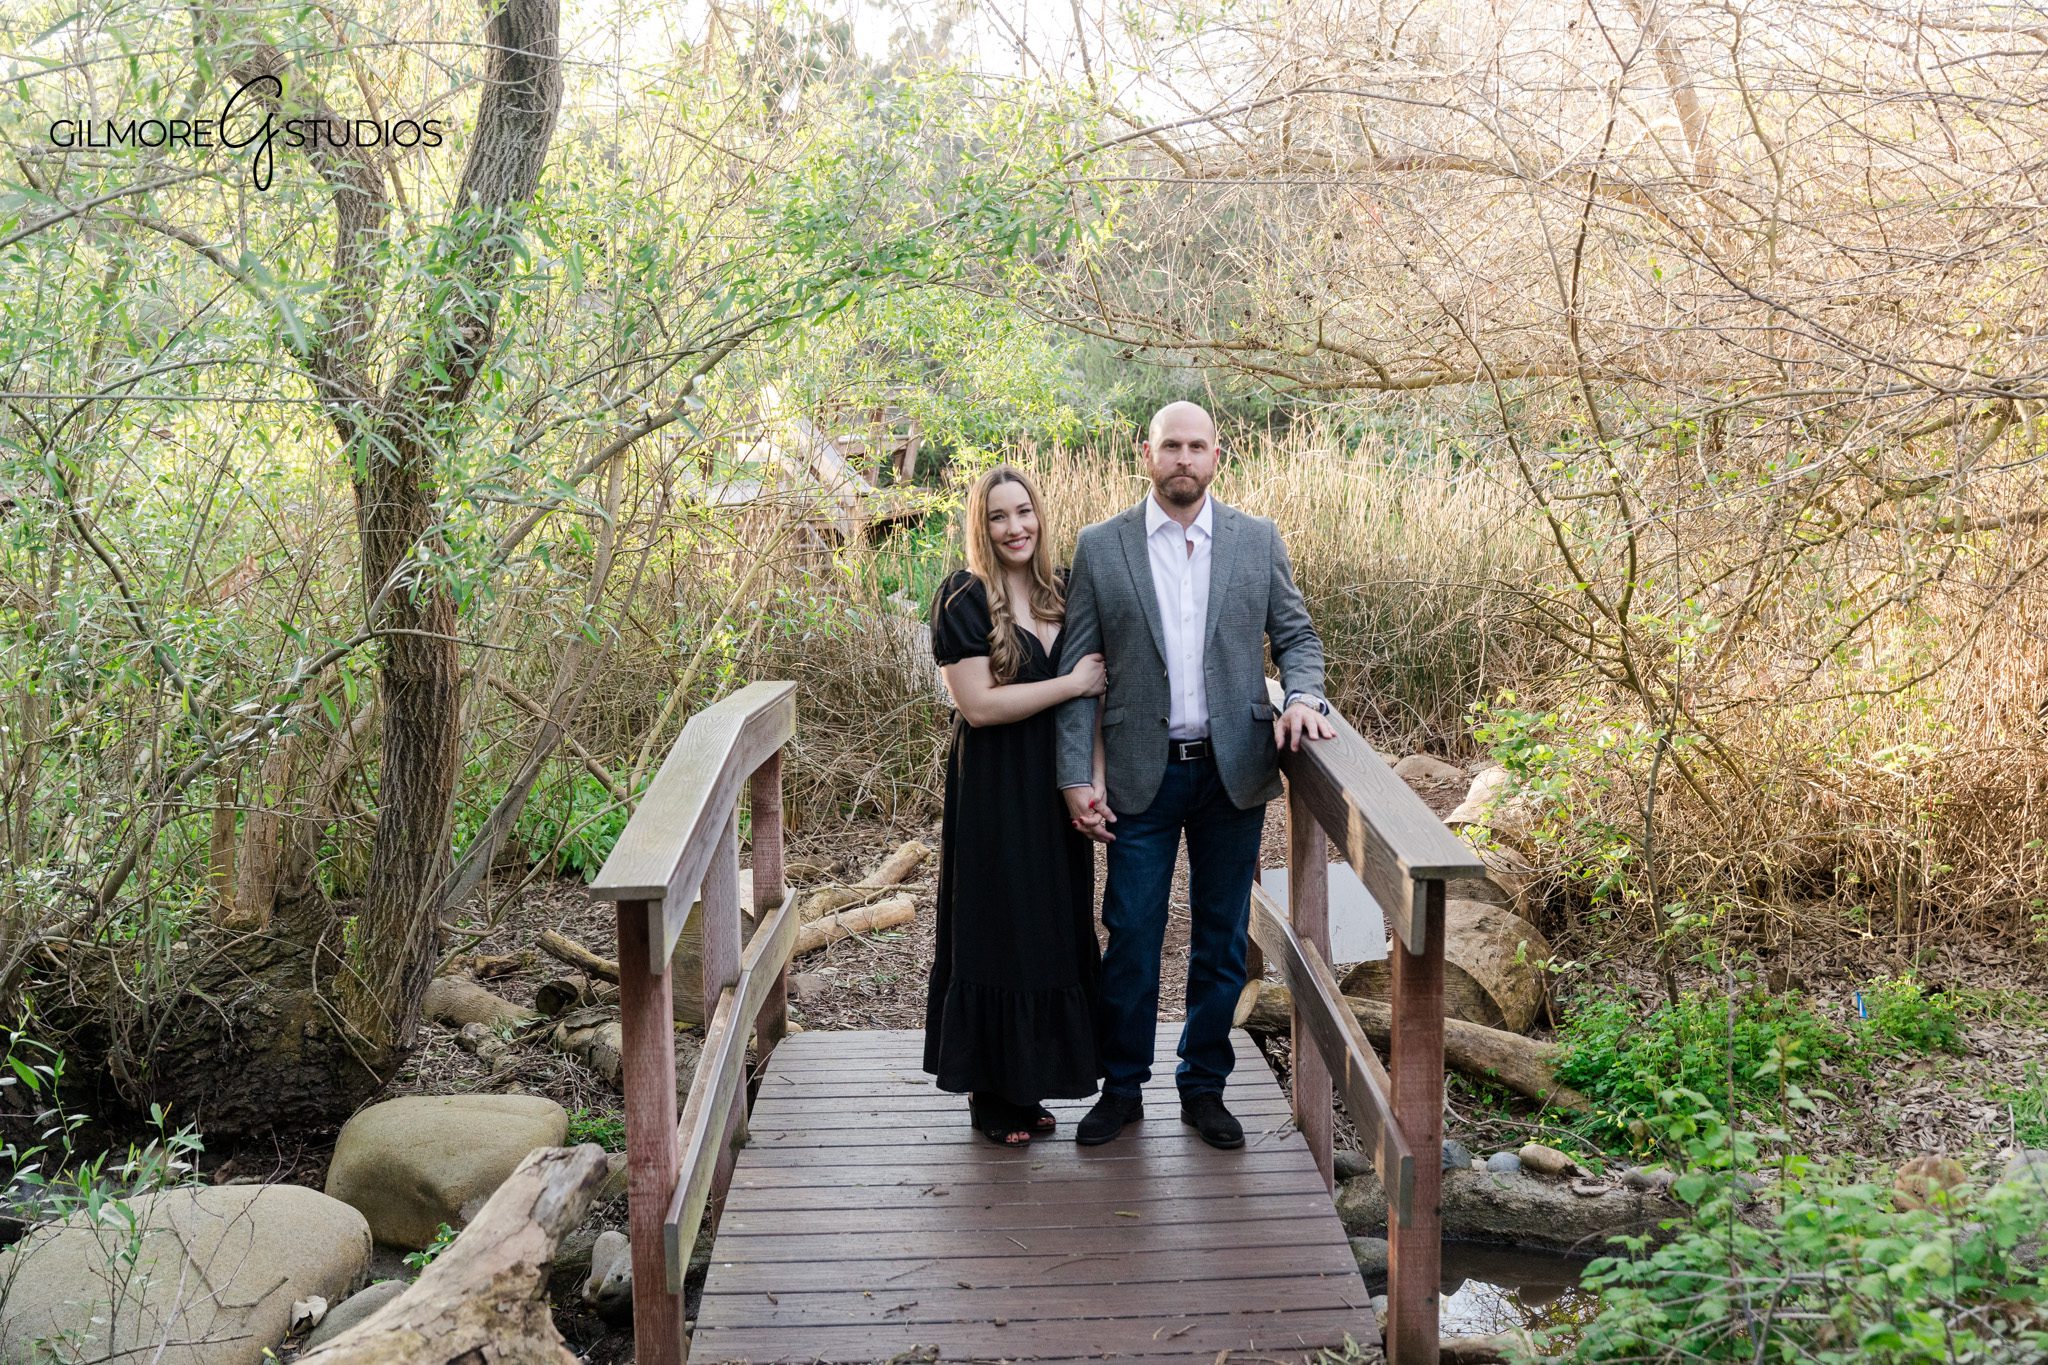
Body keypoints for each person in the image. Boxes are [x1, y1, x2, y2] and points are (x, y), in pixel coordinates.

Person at [1053, 401, 1335, 1149]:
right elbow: (1078, 671)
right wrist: (1075, 774)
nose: (1183, 458)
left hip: (1232, 772)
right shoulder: (1101, 546)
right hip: (1139, 775)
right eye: (1170, 446)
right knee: (1134, 932)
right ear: (1147, 455)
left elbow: (1297, 637)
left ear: (1218, 455)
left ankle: (1203, 1086)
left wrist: (1302, 697)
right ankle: (1122, 1088)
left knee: (1219, 937)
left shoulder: (1255, 540)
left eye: (1196, 446)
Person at [924, 464, 1109, 1145]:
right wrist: (1069, 683)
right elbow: (976, 706)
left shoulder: (1064, 590)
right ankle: (992, 1095)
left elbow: (1098, 699)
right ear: (982, 525)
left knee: (1052, 924)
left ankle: (1029, 1083)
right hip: (996, 791)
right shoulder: (963, 597)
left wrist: (1092, 780)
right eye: (999, 516)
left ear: (1040, 514)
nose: (1015, 527)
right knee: (997, 924)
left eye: (1023, 511)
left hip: (1054, 785)